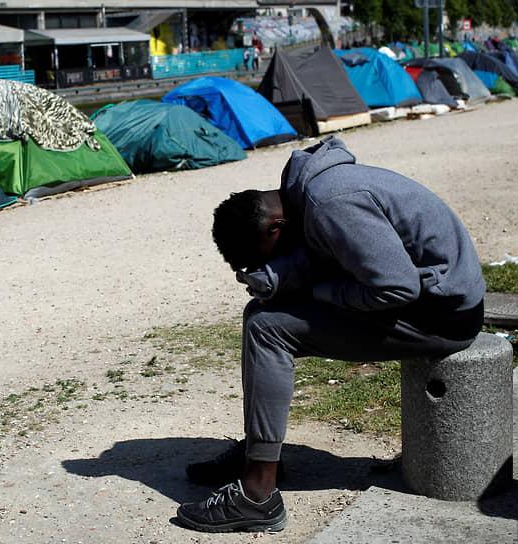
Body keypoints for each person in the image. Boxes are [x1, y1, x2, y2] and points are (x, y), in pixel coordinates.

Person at [176, 135, 486, 533]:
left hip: (440, 317)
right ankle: (259, 454)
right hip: (427, 301)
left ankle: (258, 495)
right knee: (261, 314)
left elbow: (396, 287)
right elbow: (331, 250)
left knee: (267, 329)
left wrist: (310, 289)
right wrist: (279, 276)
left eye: (266, 255)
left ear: (276, 227)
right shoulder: (309, 190)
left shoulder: (329, 204)